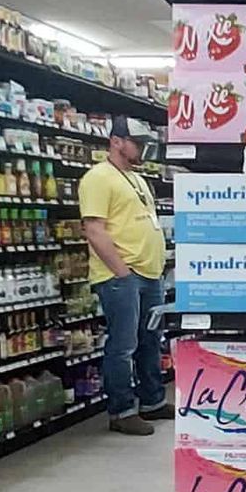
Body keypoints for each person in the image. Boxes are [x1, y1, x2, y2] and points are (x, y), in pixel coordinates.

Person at [79, 116, 169, 435]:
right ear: (116, 141)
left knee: (150, 339)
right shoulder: (98, 178)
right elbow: (94, 229)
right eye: (137, 142)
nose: (142, 149)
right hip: (121, 276)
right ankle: (122, 410)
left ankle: (152, 400)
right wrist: (122, 271)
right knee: (123, 344)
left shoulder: (138, 179)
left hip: (149, 273)